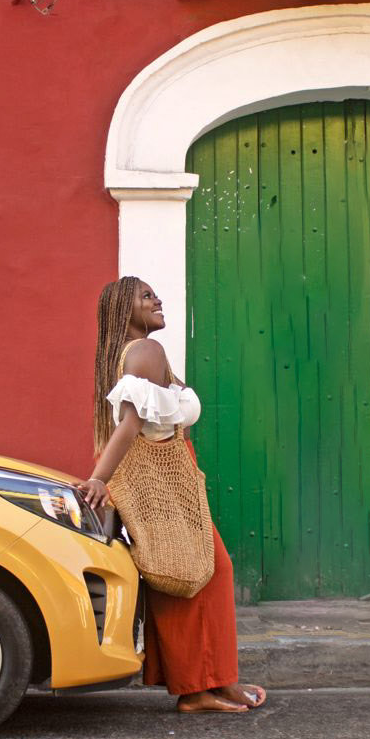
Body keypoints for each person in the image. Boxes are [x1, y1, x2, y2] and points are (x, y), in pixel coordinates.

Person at [76, 276, 266, 715]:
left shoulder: (125, 356)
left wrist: (105, 478)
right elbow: (130, 424)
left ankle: (205, 684)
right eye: (146, 296)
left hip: (155, 483)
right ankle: (205, 686)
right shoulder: (146, 351)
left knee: (178, 577)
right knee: (209, 572)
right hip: (162, 482)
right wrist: (99, 480)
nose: (157, 299)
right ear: (126, 310)